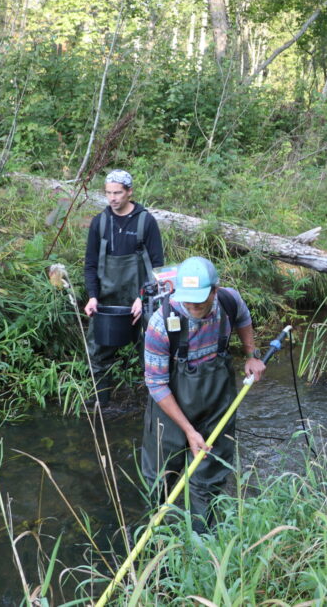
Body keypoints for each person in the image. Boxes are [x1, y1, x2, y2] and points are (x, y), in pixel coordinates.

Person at [140, 256, 266, 533]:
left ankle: (203, 544)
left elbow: (244, 319)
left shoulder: (229, 302)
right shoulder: (161, 323)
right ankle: (159, 537)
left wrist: (251, 354)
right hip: (170, 408)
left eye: (200, 299)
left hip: (216, 406)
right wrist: (188, 430)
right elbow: (156, 383)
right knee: (160, 476)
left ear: (215, 291)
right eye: (188, 300)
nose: (193, 306)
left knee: (207, 478)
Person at [83, 169, 164, 406]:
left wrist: (144, 296)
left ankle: (156, 403)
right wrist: (92, 297)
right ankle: (101, 402)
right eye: (108, 193)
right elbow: (89, 265)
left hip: (141, 299)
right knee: (97, 352)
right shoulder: (99, 223)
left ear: (129, 192)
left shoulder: (145, 221)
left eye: (117, 192)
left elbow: (157, 267)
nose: (112, 198)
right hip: (106, 299)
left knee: (150, 352)